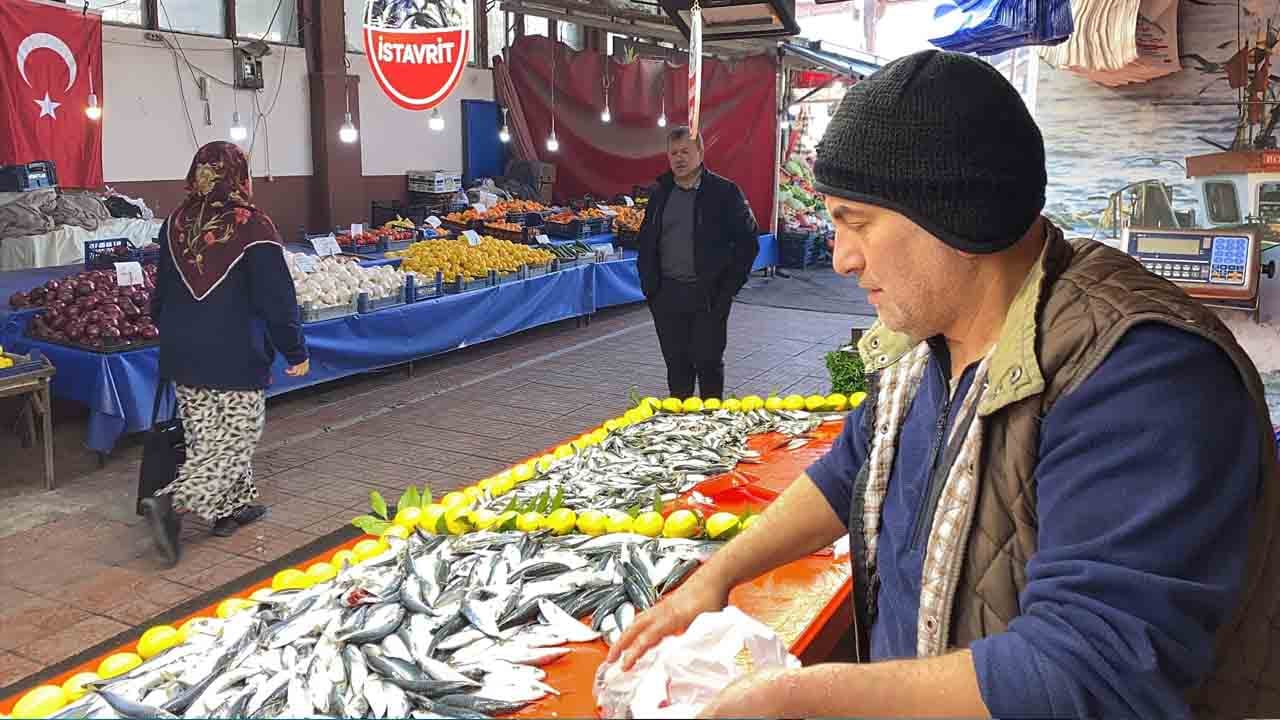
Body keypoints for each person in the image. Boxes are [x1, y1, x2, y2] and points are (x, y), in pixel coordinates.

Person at [609, 50, 1280, 719]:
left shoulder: (1142, 376)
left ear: (955, 215)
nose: (841, 259)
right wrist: (718, 575)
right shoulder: (930, 343)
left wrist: (797, 696)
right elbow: (850, 470)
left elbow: (1089, 671)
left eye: (856, 222)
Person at [141, 141, 310, 566]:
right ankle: (172, 503)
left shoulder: (175, 222)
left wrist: (175, 330)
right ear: (240, 176)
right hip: (235, 351)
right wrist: (294, 349)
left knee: (206, 436)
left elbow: (160, 291)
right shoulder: (253, 225)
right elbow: (277, 298)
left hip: (183, 349)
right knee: (236, 436)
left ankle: (231, 508)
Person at [636, 126, 759, 400]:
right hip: (667, 295)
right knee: (676, 365)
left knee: (708, 363)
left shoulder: (725, 192)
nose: (679, 158)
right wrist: (650, 287)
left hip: (709, 297)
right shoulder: (660, 193)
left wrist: (728, 290)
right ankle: (680, 419)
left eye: (686, 151)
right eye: (674, 153)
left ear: (701, 153)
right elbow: (646, 241)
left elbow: (748, 243)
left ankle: (712, 418)